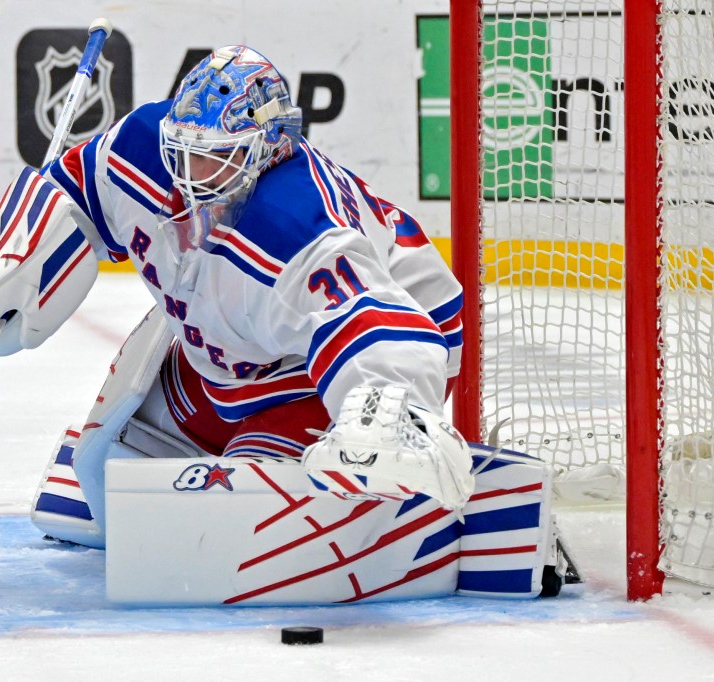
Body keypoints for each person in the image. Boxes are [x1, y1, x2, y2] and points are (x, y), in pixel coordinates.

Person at [26, 44, 472, 544]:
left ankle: (380, 489)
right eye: (186, 152)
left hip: (362, 353)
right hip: (239, 346)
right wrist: (4, 259)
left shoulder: (296, 225)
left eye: (214, 159)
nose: (191, 177)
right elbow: (70, 194)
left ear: (269, 149)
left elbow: (379, 323)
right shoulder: (142, 147)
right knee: (115, 461)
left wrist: (386, 415)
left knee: (238, 522)